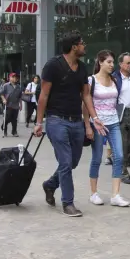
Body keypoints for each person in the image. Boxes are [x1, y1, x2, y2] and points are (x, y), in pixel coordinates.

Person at [34, 32, 107, 217]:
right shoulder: (53, 65)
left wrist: (94, 118)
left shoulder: (82, 69)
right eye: (82, 43)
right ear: (74, 47)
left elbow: (86, 95)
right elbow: (43, 95)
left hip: (76, 123)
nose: (85, 46)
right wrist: (38, 122)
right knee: (65, 162)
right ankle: (68, 203)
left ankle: (50, 184)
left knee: (72, 162)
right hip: (56, 120)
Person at [84, 50, 130, 207]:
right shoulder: (91, 81)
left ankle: (116, 195)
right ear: (100, 62)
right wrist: (87, 125)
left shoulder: (115, 80)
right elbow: (85, 104)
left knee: (119, 156)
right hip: (97, 124)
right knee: (97, 158)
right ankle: (93, 193)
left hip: (114, 122)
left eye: (112, 62)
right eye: (109, 62)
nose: (112, 65)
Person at [110, 52, 130, 184]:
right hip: (119, 113)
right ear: (121, 64)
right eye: (128, 63)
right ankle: (123, 171)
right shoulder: (114, 78)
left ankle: (118, 160)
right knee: (122, 143)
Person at [0, 73, 22, 137]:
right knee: (7, 118)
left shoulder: (18, 87)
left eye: (16, 77)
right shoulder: (6, 85)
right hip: (8, 104)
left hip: (16, 105)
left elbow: (20, 96)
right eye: (13, 77)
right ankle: (4, 129)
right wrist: (4, 99)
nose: (15, 78)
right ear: (10, 78)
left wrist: (20, 104)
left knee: (14, 119)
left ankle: (14, 131)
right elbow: (1, 94)